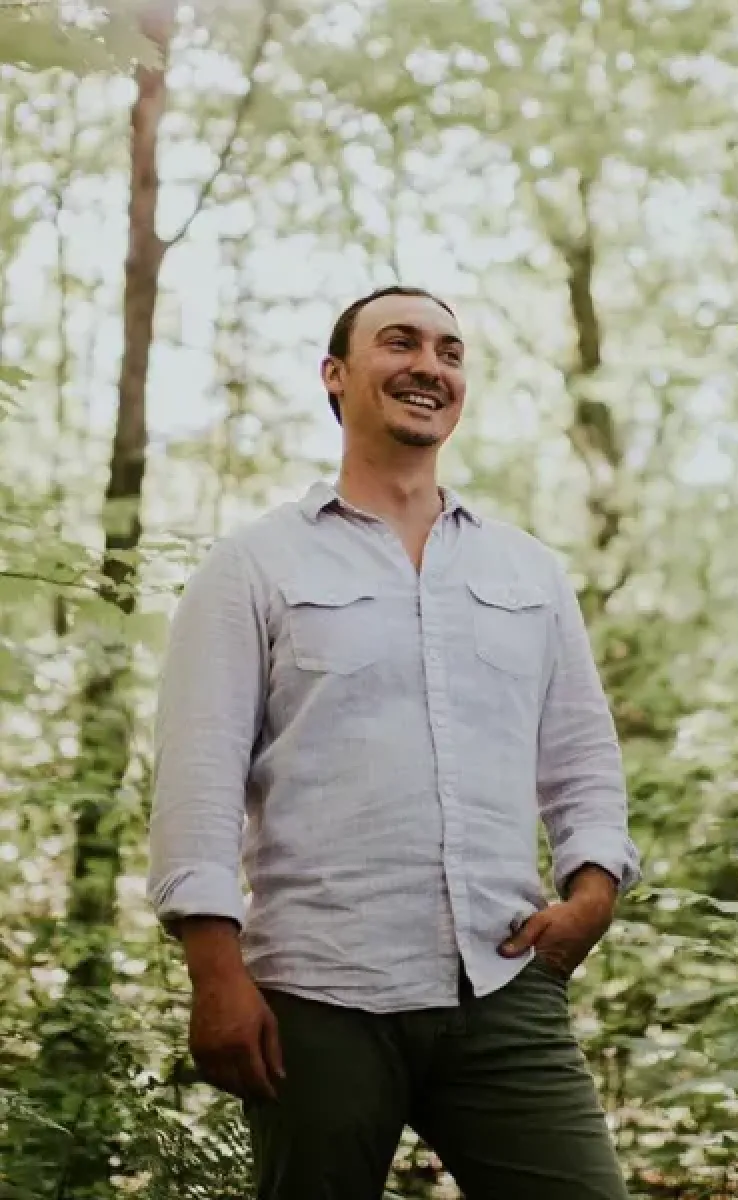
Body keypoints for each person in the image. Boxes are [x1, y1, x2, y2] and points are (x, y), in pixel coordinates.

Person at [147, 285, 641, 1200]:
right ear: (337, 376)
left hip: (503, 984)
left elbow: (582, 756)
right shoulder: (253, 566)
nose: (429, 365)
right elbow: (197, 778)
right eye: (400, 342)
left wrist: (594, 891)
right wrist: (214, 973)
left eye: (450, 352)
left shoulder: (527, 570)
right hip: (316, 997)